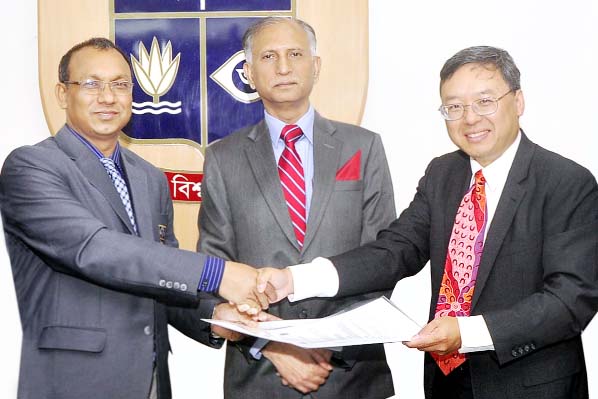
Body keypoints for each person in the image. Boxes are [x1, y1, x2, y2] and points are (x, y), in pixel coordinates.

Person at [258, 46, 598, 399]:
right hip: (446, 384)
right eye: (454, 107)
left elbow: (570, 300)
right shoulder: (442, 173)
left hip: (532, 388)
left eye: (485, 102)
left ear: (519, 102)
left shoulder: (566, 182)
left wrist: (467, 333)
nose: (469, 118)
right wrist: (293, 279)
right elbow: (395, 251)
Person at [0, 37, 271, 399]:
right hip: (73, 383)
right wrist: (218, 273)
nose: (108, 97)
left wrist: (217, 317)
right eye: (92, 84)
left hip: (152, 380)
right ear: (63, 94)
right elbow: (93, 249)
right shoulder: (31, 167)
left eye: (120, 85)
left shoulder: (150, 178)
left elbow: (159, 281)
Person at [198, 17, 396, 398]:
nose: (284, 67)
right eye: (269, 56)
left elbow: (383, 258)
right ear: (249, 74)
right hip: (260, 376)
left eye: (295, 54)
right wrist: (272, 345)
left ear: (315, 66)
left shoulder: (363, 146)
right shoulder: (223, 159)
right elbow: (214, 271)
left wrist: (326, 347)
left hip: (352, 376)